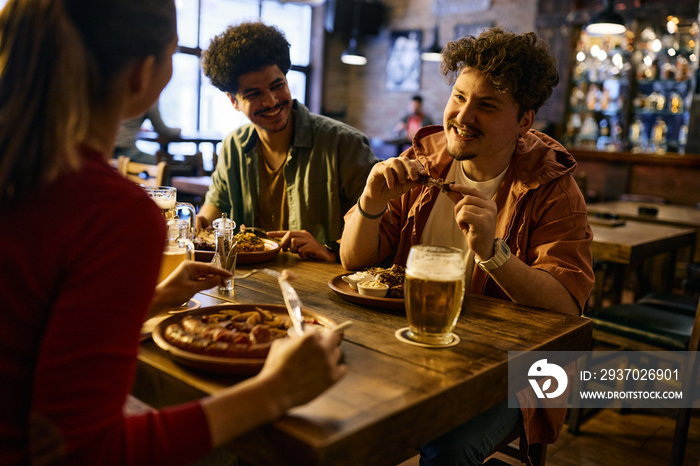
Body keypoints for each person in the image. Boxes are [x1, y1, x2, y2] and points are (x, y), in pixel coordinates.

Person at [0, 1, 345, 464]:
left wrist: (154, 299)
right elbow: (82, 451)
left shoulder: (25, 174)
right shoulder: (112, 213)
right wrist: (274, 393)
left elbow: (32, 318)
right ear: (144, 74)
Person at [340, 27, 594, 465]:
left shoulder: (553, 186)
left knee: (448, 449)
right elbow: (353, 261)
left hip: (514, 373)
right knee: (336, 408)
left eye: (487, 105)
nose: (463, 115)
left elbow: (566, 306)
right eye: (459, 96)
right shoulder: (426, 158)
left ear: (525, 121)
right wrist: (370, 203)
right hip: (415, 346)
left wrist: (494, 253)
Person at [197, 21, 378, 262]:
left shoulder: (342, 143)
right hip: (252, 282)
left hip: (322, 285)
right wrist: (201, 224)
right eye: (254, 94)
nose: (272, 101)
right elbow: (215, 207)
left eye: (277, 85)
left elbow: (385, 221)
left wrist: (332, 248)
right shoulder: (233, 146)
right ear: (233, 101)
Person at [113, 98, 181, 164]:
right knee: (161, 163)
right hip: (125, 151)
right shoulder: (149, 97)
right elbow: (162, 130)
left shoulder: (121, 95)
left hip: (109, 152)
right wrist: (179, 130)